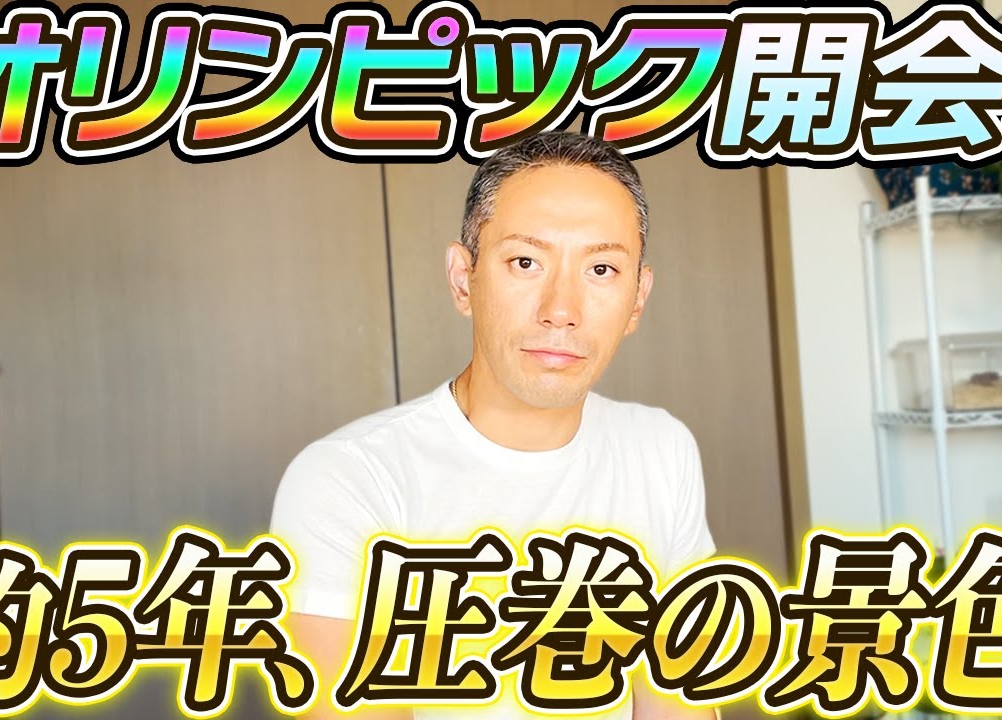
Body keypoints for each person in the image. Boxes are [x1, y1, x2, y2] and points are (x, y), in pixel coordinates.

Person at [270, 131, 717, 719]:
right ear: (464, 279)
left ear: (637, 298)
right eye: (525, 262)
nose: (561, 310)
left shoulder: (660, 449)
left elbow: (677, 701)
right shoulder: (350, 480)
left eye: (602, 268)